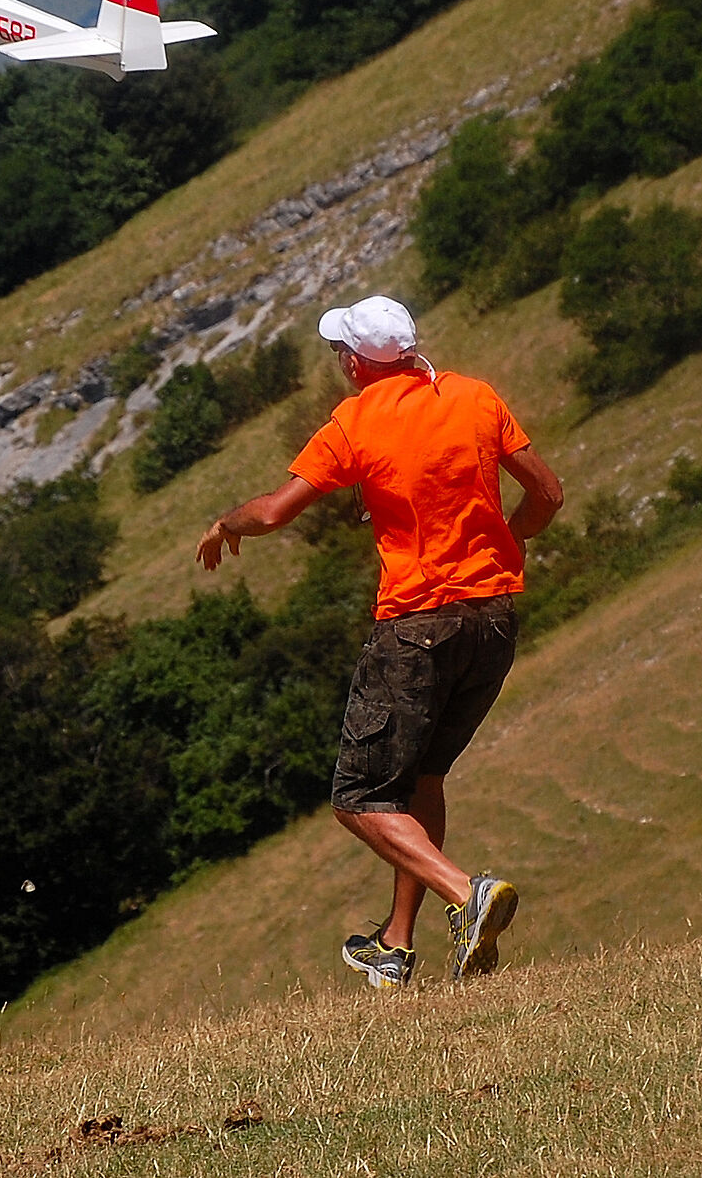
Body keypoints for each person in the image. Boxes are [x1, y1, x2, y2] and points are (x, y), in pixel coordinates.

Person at [196, 294, 563, 988]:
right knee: (420, 777)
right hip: (492, 620)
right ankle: (395, 943)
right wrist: (504, 543)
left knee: (359, 795)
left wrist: (224, 523)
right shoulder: (474, 397)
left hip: (417, 625)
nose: (339, 361)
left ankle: (467, 893)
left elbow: (275, 512)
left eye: (341, 351)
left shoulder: (355, 420)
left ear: (358, 362)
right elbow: (547, 493)